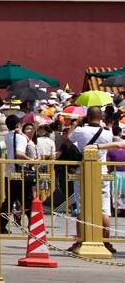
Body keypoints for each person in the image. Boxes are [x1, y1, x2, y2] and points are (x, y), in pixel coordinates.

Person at [67, 107, 125, 254]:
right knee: (105, 207)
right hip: (102, 170)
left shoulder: (81, 131)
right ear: (101, 117)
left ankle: (80, 239)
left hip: (84, 170)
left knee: (81, 205)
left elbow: (68, 139)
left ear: (87, 116)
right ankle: (106, 241)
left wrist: (75, 123)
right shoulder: (107, 132)